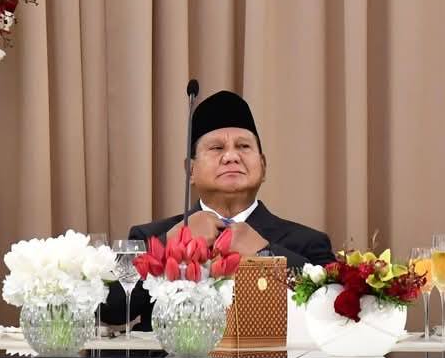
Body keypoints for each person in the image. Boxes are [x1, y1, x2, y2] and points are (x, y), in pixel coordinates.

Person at [102, 90, 334, 330]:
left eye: (243, 146)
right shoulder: (149, 237)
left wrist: (266, 253)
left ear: (263, 166)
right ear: (191, 170)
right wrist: (169, 244)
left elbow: (331, 312)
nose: (231, 156)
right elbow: (110, 308)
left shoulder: (308, 243)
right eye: (216, 148)